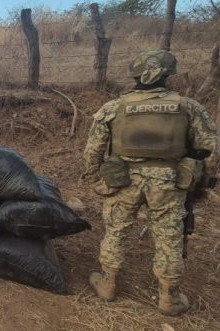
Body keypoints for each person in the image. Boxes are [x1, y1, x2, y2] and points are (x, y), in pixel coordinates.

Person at [83, 50, 218, 315]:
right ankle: (169, 297)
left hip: (123, 179)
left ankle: (108, 284)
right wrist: (196, 172)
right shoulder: (187, 107)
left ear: (136, 75)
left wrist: (94, 180)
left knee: (116, 230)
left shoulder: (114, 108)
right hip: (168, 182)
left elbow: (92, 151)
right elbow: (210, 146)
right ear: (168, 75)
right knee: (169, 236)